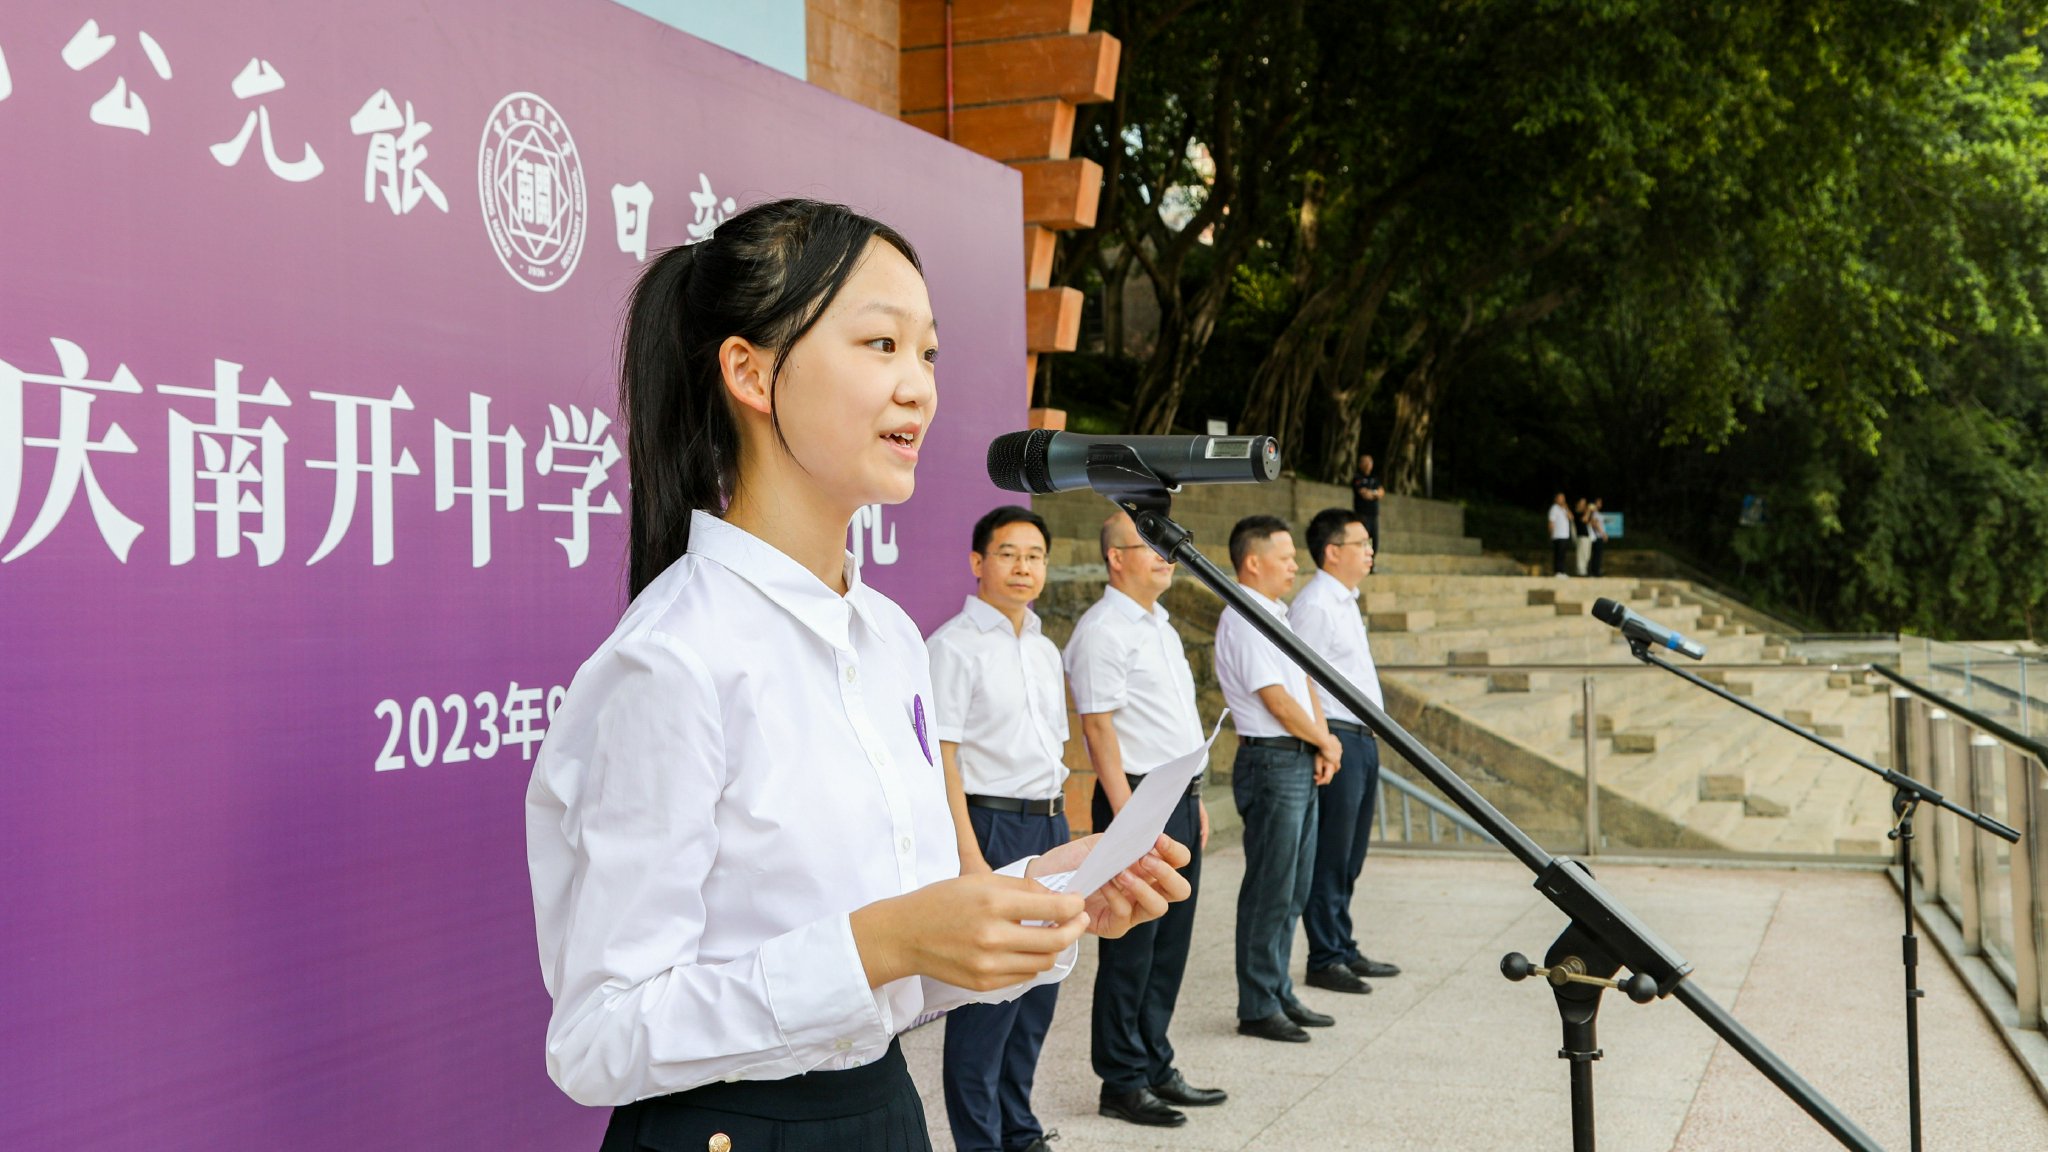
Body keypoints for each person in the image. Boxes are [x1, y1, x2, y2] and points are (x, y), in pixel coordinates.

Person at [524, 198, 1190, 1152]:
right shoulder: (671, 658)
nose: (917, 388)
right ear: (750, 372)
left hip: (881, 1115)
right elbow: (600, 1039)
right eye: (880, 344)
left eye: (927, 354)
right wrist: (881, 941)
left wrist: (1047, 897)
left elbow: (903, 966)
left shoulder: (885, 638)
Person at [1065, 511, 1229, 1129]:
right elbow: (1098, 727)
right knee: (1132, 949)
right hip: (1135, 799)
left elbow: (1173, 721)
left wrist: (1196, 798)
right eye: (1150, 546)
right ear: (1115, 557)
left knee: (1171, 944)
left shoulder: (1157, 623)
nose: (1167, 556)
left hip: (1177, 795)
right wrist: (1131, 820)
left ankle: (1156, 1061)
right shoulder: (1103, 629)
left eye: (1168, 546)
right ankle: (1122, 1080)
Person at [929, 505, 1070, 1152]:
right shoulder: (952, 647)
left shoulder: (1042, 647)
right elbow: (943, 759)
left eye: (1035, 555)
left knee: (1039, 988)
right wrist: (969, 857)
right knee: (986, 1001)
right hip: (990, 828)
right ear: (977, 563)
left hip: (1049, 824)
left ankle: (1020, 1131)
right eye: (1009, 553)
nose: (1023, 567)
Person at [1214, 515, 1343, 1044]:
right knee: (1270, 886)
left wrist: (1321, 740)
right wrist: (1321, 738)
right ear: (1252, 562)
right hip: (1270, 758)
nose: (1294, 565)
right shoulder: (1243, 617)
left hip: (1297, 754)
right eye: (1285, 556)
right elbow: (1275, 698)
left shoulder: (1277, 615)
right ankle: (1258, 1003)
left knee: (1294, 885)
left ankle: (1279, 989)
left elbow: (1304, 682)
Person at [1292, 509, 1401, 997]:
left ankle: (1342, 943)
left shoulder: (1344, 601)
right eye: (1360, 543)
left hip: (1361, 736)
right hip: (1337, 736)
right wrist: (1320, 739)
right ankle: (1325, 956)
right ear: (1332, 551)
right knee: (1332, 854)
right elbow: (1301, 676)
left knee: (1351, 853)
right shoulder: (1316, 603)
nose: (1369, 550)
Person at [1350, 453, 1383, 550]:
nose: (1369, 464)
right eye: (1366, 462)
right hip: (1362, 515)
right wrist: (1375, 493)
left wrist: (1373, 493)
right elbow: (1364, 494)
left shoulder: (1374, 478)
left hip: (1373, 515)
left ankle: (1370, 562)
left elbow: (1381, 492)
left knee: (1374, 543)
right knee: (1363, 539)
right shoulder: (1357, 478)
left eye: (1370, 462)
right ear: (1360, 464)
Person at [1548, 492, 1573, 577]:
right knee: (1558, 554)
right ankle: (1557, 571)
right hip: (1557, 535)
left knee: (1563, 554)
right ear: (1556, 499)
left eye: (1563, 498)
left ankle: (1561, 571)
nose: (1562, 500)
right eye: (1560, 498)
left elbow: (1571, 518)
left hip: (1565, 535)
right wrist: (1551, 534)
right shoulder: (1554, 508)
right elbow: (1551, 522)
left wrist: (1566, 508)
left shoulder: (1564, 509)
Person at [1572, 497, 1594, 576]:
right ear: (1578, 504)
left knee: (1587, 555)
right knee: (1581, 554)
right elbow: (1584, 519)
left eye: (1585, 503)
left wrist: (1590, 512)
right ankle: (1580, 571)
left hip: (1587, 536)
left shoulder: (1584, 513)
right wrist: (1588, 510)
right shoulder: (1576, 512)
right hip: (1580, 536)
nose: (1584, 505)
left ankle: (1584, 570)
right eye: (1582, 503)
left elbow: (1589, 522)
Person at [1588, 497, 1609, 577]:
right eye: (1598, 502)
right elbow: (1595, 524)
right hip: (1597, 536)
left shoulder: (1597, 513)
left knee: (1598, 555)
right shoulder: (1594, 513)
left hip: (1599, 536)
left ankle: (1596, 570)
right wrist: (1603, 534)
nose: (1600, 504)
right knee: (1596, 555)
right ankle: (1595, 572)